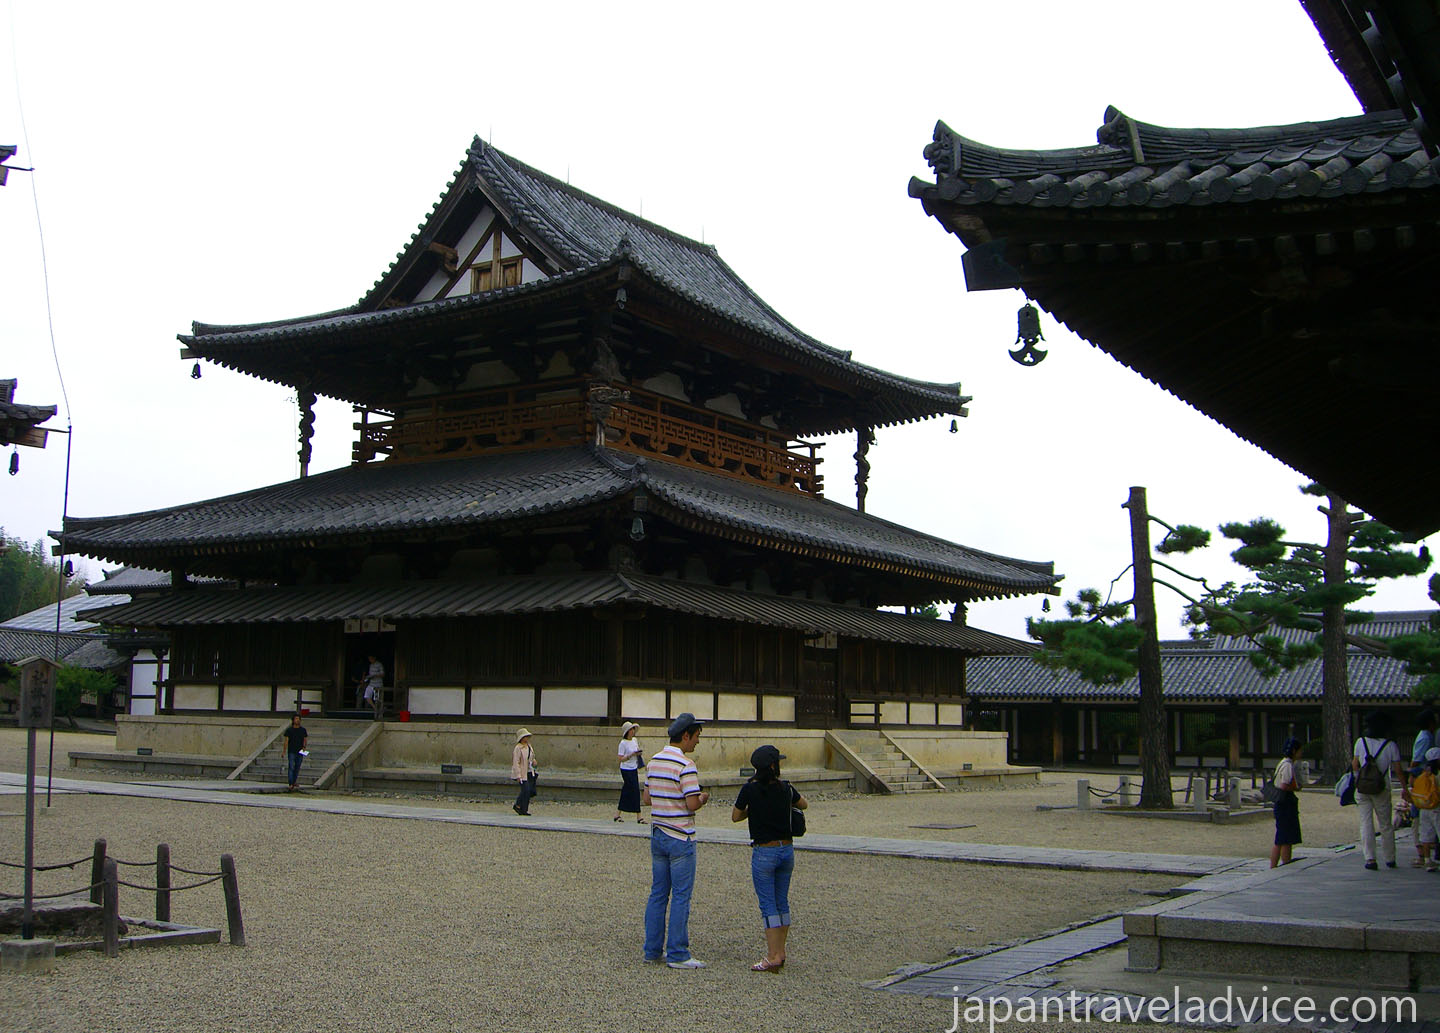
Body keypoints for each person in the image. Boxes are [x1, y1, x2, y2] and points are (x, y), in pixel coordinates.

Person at [642, 712, 709, 969]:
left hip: (659, 831)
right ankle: (678, 953)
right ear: (685, 735)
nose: (697, 743)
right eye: (696, 737)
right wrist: (702, 798)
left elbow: (647, 799)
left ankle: (652, 949)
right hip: (681, 834)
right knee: (681, 895)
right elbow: (691, 803)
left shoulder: (654, 761)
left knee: (658, 893)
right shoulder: (685, 765)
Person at [732, 744, 807, 972]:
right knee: (781, 901)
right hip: (786, 849)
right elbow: (803, 804)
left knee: (768, 905)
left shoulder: (750, 789)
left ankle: (772, 955)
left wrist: (751, 811)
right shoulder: (786, 788)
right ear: (774, 766)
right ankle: (781, 952)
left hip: (764, 850)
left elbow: (736, 816)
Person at [1353, 710, 1407, 870]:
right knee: (1385, 824)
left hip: (1363, 788)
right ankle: (1390, 858)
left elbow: (1355, 765)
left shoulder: (1360, 742)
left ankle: (1370, 858)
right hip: (1381, 787)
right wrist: (1405, 788)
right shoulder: (1390, 745)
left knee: (1365, 822)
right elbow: (1398, 770)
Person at [1409, 710, 1438, 866]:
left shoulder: (1425, 736)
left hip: (1423, 784)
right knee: (1419, 819)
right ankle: (1421, 854)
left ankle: (1424, 856)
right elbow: (1416, 760)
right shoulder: (1426, 737)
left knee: (1422, 821)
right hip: (1423, 784)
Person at [1269, 737, 1302, 867]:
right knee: (1286, 838)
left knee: (1280, 838)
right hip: (1285, 802)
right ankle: (1286, 863)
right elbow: (1284, 786)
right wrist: (1296, 787)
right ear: (1294, 751)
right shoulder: (1288, 765)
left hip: (1280, 802)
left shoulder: (1282, 763)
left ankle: (1274, 865)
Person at [1415, 746, 1440, 872]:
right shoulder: (1437, 774)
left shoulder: (1424, 774)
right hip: (1437, 807)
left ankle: (1428, 861)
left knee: (1425, 835)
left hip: (1424, 807)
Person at [615, 721, 645, 823]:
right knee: (629, 790)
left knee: (633, 790)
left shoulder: (635, 740)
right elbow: (620, 758)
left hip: (633, 767)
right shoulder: (622, 743)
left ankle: (637, 816)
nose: (633, 731)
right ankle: (634, 816)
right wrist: (630, 755)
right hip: (626, 769)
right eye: (631, 729)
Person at [512, 728, 537, 816]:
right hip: (522, 772)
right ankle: (518, 805)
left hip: (529, 770)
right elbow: (516, 762)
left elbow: (531, 756)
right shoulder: (518, 748)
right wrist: (518, 775)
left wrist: (533, 760)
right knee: (525, 790)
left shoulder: (529, 746)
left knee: (528, 791)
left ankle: (524, 808)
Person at [282, 712, 308, 792]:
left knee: (297, 767)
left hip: (300, 750)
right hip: (291, 750)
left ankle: (294, 781)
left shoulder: (303, 730)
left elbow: (305, 739)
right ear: (293, 720)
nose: (297, 720)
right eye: (296, 719)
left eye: (298, 719)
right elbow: (286, 741)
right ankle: (290, 783)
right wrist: (284, 751)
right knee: (291, 767)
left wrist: (304, 747)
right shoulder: (289, 730)